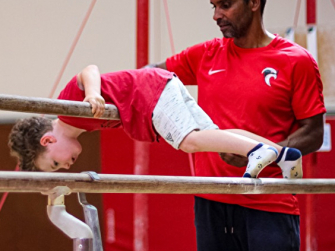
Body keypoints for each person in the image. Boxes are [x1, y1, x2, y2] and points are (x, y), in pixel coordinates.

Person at [150, 0, 326, 251]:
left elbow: (314, 132)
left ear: (254, 2)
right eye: (213, 6)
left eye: (226, 5)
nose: (217, 16)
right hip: (212, 199)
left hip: (268, 201)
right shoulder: (206, 55)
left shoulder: (294, 60)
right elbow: (151, 78)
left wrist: (262, 154)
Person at [8, 64, 301, 178]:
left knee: (189, 142)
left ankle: (257, 152)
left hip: (151, 92)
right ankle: (283, 154)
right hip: (158, 87)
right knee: (215, 134)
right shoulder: (79, 126)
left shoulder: (69, 111)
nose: (67, 166)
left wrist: (94, 93)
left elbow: (88, 70)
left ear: (48, 140)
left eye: (56, 163)